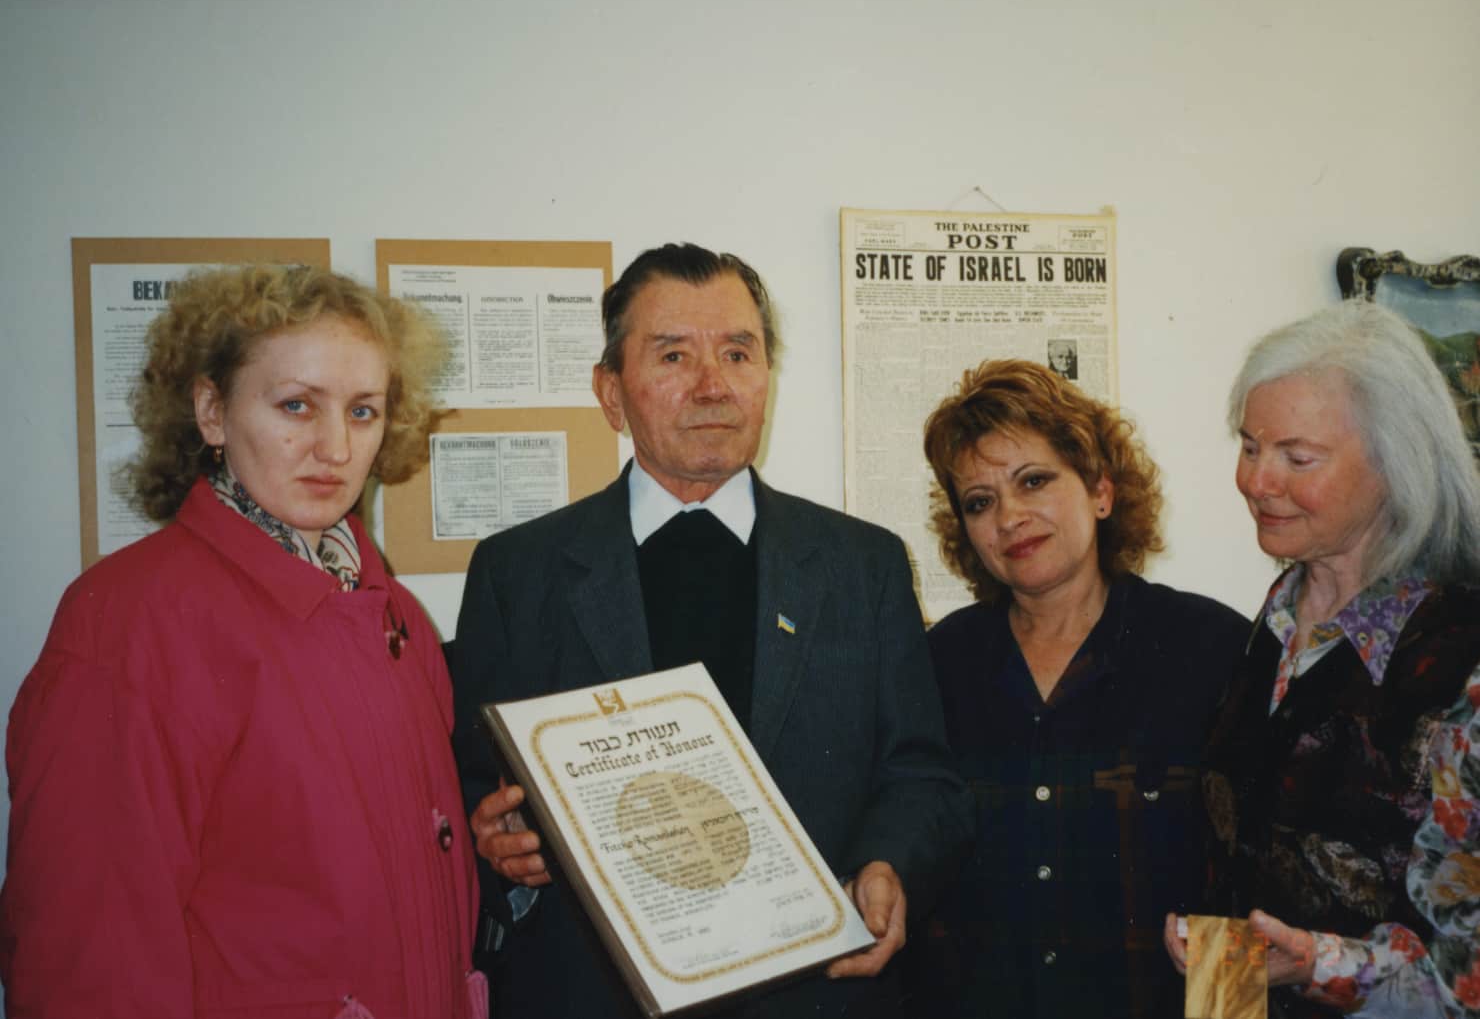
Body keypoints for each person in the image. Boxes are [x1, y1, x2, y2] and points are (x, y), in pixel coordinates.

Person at [451, 242, 973, 1019]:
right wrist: (490, 842)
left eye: (739, 352)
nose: (714, 385)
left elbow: (919, 773)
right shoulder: (517, 572)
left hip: (814, 995)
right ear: (610, 391)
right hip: (595, 994)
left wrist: (890, 865)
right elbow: (467, 784)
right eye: (673, 355)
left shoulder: (862, 566)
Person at [0, 264, 486, 1018]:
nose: (334, 447)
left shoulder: (395, 615)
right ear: (212, 412)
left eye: (363, 412)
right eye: (297, 405)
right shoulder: (127, 623)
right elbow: (88, 963)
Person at [1164, 301, 1480, 1018]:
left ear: (1397, 464)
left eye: (1296, 458)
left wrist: (1318, 963)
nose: (1256, 481)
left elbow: (1469, 970)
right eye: (1249, 446)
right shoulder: (1279, 615)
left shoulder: (1462, 658)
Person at [908, 359, 1248, 1018]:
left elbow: (1250, 881)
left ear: (1100, 489)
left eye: (1033, 480)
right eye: (980, 501)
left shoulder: (1210, 647)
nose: (1009, 516)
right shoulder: (935, 663)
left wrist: (1231, 1009)